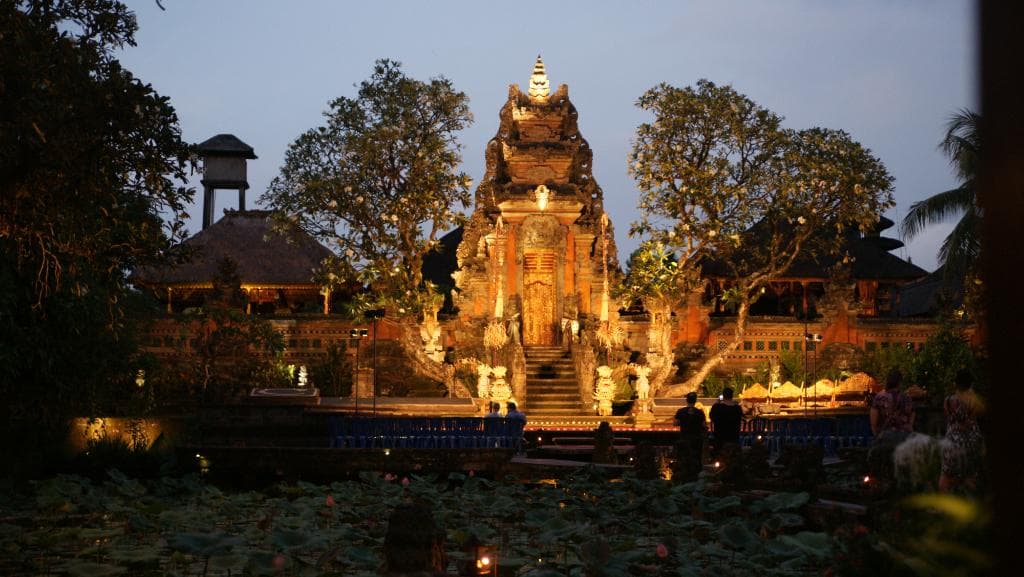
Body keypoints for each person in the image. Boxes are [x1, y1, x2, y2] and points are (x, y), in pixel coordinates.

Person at [939, 369, 984, 493]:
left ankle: (943, 506)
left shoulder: (948, 400)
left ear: (956, 383)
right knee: (970, 475)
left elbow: (949, 420)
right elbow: (973, 419)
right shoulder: (974, 400)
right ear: (970, 384)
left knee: (945, 476)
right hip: (971, 439)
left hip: (953, 440)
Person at [867, 369, 914, 481]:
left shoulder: (879, 397)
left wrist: (878, 435)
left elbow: (873, 421)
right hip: (905, 438)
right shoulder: (906, 398)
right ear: (900, 382)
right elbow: (911, 418)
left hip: (886, 438)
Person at [673, 392, 706, 481]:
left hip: (684, 439)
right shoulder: (700, 412)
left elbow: (675, 423)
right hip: (696, 439)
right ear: (696, 401)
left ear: (686, 400)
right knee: (696, 458)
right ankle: (696, 477)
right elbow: (704, 425)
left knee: (684, 457)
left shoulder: (681, 411)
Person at [709, 387, 743, 456]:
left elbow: (711, 417)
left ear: (723, 396)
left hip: (719, 439)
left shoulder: (717, 407)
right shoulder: (737, 408)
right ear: (732, 396)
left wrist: (717, 402)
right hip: (733, 438)